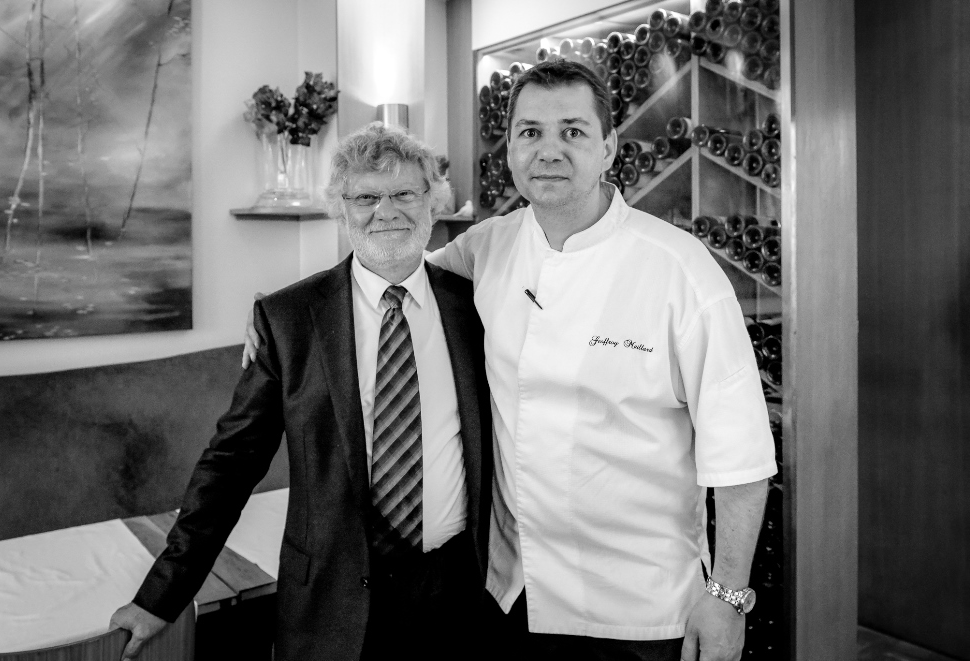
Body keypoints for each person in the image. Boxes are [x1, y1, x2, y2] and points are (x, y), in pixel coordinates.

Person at [245, 61, 776, 661]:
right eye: (530, 133)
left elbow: (741, 461)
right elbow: (387, 274)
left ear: (609, 148)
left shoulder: (681, 270)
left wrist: (728, 596)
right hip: (509, 602)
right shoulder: (487, 246)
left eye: (572, 131)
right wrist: (278, 311)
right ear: (511, 150)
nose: (548, 150)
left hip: (642, 612)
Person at [111, 122, 493, 661]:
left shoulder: (478, 308)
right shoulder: (289, 320)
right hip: (332, 603)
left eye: (406, 193)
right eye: (365, 197)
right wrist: (161, 595)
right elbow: (231, 464)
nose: (386, 211)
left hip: (457, 595)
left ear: (434, 202)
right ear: (341, 209)